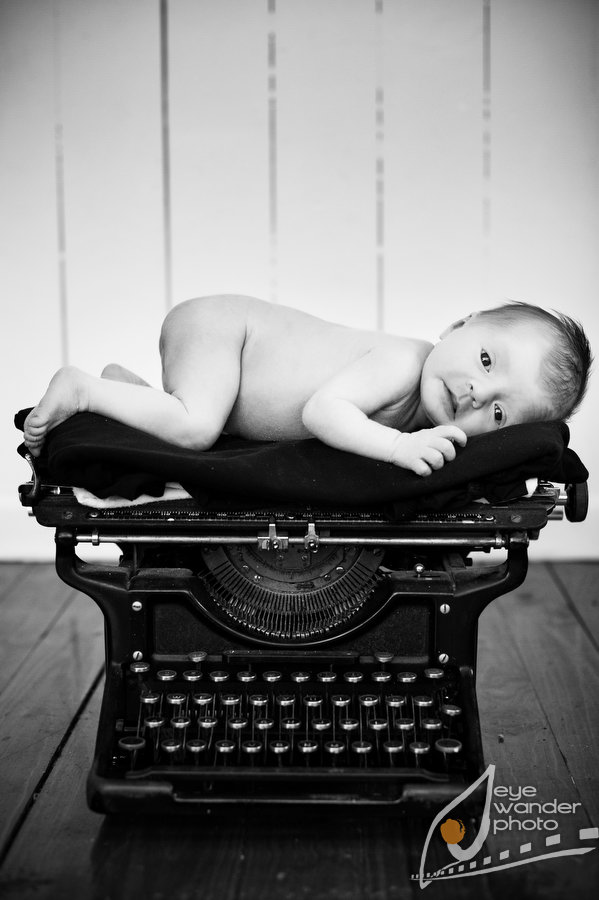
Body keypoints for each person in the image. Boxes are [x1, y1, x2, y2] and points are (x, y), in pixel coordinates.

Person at [23, 295, 591, 477]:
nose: (476, 394)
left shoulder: (422, 408)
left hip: (230, 352)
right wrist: (397, 446)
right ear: (458, 325)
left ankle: (127, 392)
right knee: (196, 429)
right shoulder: (401, 362)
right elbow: (324, 411)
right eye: (486, 360)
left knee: (190, 416)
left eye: (498, 414)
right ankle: (83, 389)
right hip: (229, 332)